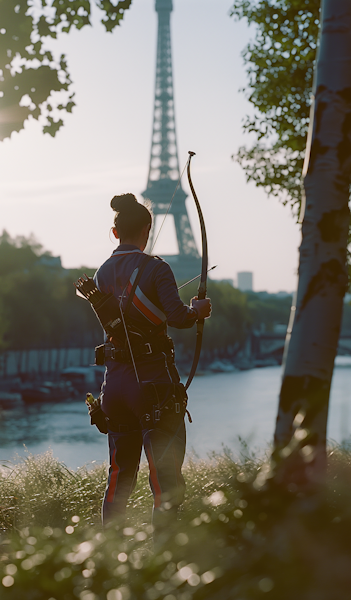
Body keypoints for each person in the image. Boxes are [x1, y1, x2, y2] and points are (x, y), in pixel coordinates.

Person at [93, 192, 211, 539]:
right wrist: (198, 310)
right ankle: (163, 559)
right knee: (165, 479)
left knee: (119, 476)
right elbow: (179, 318)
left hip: (113, 386)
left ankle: (110, 556)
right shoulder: (157, 268)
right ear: (148, 228)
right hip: (153, 384)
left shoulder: (101, 274)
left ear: (115, 233)